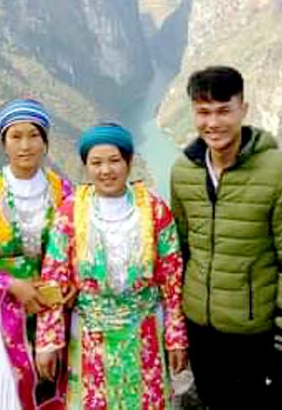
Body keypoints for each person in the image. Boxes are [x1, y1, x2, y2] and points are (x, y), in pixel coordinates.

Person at [169, 65, 282, 409]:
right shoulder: (183, 171)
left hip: (255, 335)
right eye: (203, 112)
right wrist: (178, 325)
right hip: (201, 328)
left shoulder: (281, 173)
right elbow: (181, 249)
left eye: (223, 110)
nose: (213, 123)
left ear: (243, 109)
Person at [35, 123, 189, 409]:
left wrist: (175, 336)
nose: (106, 170)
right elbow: (53, 278)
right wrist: (48, 340)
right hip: (89, 335)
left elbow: (172, 278)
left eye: (114, 160)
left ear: (129, 162)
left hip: (144, 334)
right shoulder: (70, 212)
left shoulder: (155, 209)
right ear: (86, 167)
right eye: (96, 163)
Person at [0, 99, 74, 410]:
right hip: (6, 306)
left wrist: (72, 283)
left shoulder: (64, 191)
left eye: (34, 135)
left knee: (55, 378)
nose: (25, 145)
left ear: (45, 142)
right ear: (3, 142)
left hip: (54, 307)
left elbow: (79, 247)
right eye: (15, 136)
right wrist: (11, 285)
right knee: (11, 381)